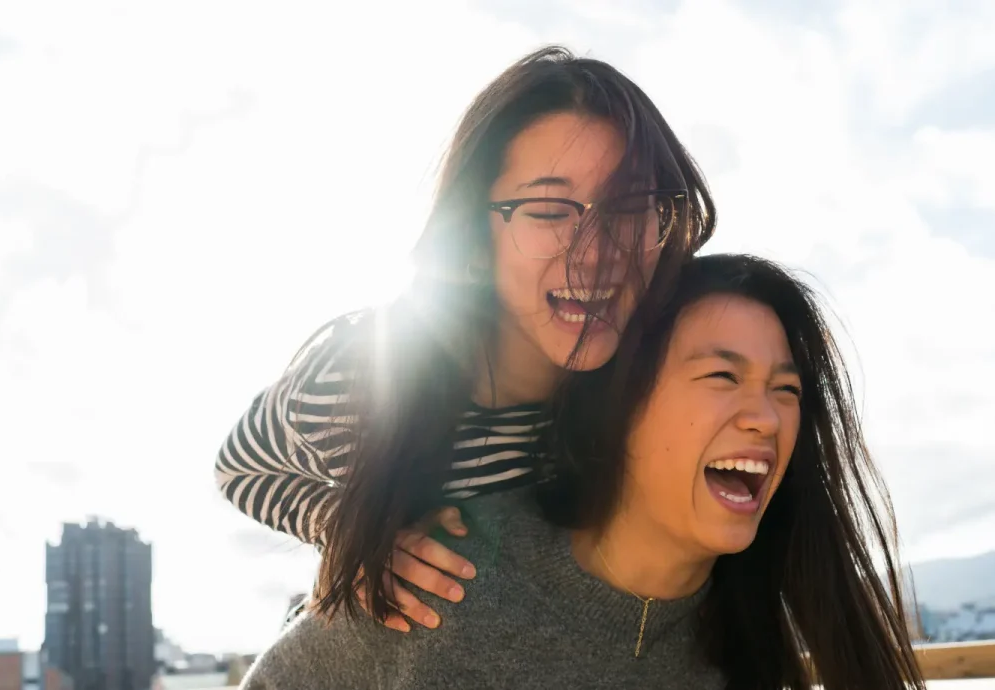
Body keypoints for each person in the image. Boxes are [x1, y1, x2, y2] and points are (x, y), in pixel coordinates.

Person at [240, 254, 927, 689]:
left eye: (788, 391)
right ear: (625, 404)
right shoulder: (441, 576)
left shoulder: (751, 646)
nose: (767, 419)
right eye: (723, 374)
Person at [215, 45, 715, 631]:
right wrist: (355, 536)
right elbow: (240, 468)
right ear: (476, 239)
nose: (598, 253)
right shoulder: (370, 369)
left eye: (630, 207)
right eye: (550, 210)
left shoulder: (658, 383)